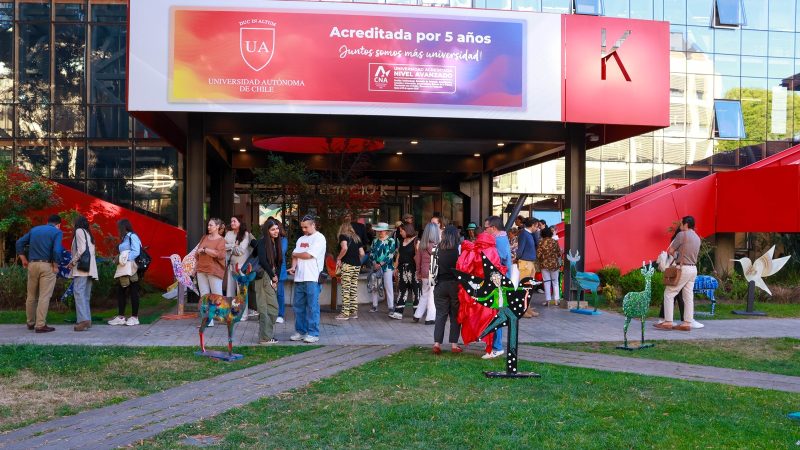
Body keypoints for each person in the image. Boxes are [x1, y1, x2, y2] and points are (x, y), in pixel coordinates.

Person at [16, 214, 64, 333]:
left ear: (47, 221)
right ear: (58, 224)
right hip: (47, 266)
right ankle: (40, 325)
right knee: (44, 296)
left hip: (32, 265)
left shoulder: (34, 230)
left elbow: (19, 243)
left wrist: (23, 259)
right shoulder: (57, 232)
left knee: (31, 296)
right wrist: (56, 265)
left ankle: (30, 322)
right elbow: (57, 250)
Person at [655, 216, 701, 332]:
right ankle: (687, 323)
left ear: (686, 224)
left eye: (681, 223)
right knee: (688, 297)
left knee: (669, 293)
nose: (680, 225)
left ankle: (668, 322)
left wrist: (676, 257)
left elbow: (670, 251)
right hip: (693, 269)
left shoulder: (682, 235)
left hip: (682, 268)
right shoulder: (697, 237)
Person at [288, 215, 326, 343]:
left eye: (306, 227)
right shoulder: (300, 239)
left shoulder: (319, 238)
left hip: (313, 278)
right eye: (302, 227)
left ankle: (313, 333)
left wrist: (295, 254)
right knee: (298, 307)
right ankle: (301, 331)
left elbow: (308, 255)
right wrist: (293, 267)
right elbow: (296, 256)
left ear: (313, 225)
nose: (304, 229)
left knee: (312, 307)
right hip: (299, 278)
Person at [432, 225, 462, 355]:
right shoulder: (459, 249)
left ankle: (437, 343)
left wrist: (434, 284)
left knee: (440, 315)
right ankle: (454, 345)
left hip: (440, 284)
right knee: (455, 316)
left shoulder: (436, 249)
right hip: (455, 285)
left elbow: (432, 270)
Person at [482, 216, 510, 358]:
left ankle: (497, 347)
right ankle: (495, 346)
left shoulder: (499, 241)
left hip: (500, 285)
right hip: (499, 283)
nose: (485, 230)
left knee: (496, 315)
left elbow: (501, 258)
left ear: (493, 228)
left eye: (486, 227)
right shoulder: (501, 239)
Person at [108, 219, 143, 326]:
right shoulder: (125, 238)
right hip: (124, 268)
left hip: (131, 268)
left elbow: (136, 251)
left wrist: (125, 259)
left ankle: (134, 317)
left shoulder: (132, 236)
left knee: (133, 291)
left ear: (123, 227)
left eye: (119, 227)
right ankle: (121, 316)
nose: (118, 230)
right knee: (121, 291)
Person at [68, 215, 98, 331]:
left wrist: (72, 262)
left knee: (79, 293)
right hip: (90, 268)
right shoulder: (88, 233)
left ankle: (82, 320)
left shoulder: (79, 231)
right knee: (85, 295)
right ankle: (87, 320)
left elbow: (81, 250)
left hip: (82, 269)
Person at [255, 219, 282, 344]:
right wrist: (273, 276)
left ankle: (266, 336)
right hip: (263, 277)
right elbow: (263, 261)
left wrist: (276, 278)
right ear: (267, 231)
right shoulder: (262, 242)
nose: (276, 231)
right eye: (272, 229)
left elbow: (279, 262)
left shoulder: (277, 242)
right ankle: (265, 338)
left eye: (277, 228)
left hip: (271, 277)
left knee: (273, 307)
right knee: (265, 308)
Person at [224, 215, 254, 319]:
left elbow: (241, 251)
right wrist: (233, 245)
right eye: (231, 221)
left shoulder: (245, 234)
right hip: (231, 265)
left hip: (241, 267)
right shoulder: (228, 234)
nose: (232, 223)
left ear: (240, 223)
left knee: (241, 291)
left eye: (234, 221)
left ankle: (243, 314)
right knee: (230, 290)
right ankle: (232, 312)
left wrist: (230, 247)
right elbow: (222, 246)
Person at [335, 222, 364, 320]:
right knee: (353, 288)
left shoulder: (343, 236)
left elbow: (344, 248)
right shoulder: (357, 238)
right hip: (357, 265)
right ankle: (353, 312)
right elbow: (362, 253)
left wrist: (339, 258)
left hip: (347, 265)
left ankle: (345, 314)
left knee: (346, 289)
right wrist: (356, 259)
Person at [414, 223, 440, 325]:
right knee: (432, 296)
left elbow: (417, 260)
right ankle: (430, 318)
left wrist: (418, 272)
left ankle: (417, 315)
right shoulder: (438, 246)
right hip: (434, 272)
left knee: (424, 294)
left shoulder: (422, 245)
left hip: (424, 272)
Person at [368, 222, 397, 314]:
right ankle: (374, 305)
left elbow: (391, 255)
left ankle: (391, 306)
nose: (380, 233)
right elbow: (371, 253)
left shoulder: (391, 241)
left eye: (382, 231)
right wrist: (374, 263)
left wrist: (380, 264)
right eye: (379, 231)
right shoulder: (375, 241)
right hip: (376, 266)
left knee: (388, 286)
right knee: (375, 285)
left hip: (387, 267)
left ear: (387, 231)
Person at [393, 223, 418, 320]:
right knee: (402, 290)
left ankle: (417, 313)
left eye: (401, 230)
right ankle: (398, 312)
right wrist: (395, 267)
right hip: (402, 269)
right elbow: (399, 255)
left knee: (416, 291)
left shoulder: (416, 241)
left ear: (407, 230)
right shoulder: (402, 240)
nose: (400, 232)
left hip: (413, 269)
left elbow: (418, 255)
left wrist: (419, 270)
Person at [537, 227, 561, 306]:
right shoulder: (554, 242)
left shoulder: (541, 242)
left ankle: (548, 301)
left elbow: (538, 255)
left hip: (544, 265)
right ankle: (556, 300)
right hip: (554, 265)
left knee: (547, 282)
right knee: (555, 282)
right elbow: (559, 254)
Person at [275, 219, 289, 324]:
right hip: (268, 269)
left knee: (279, 293)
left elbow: (281, 252)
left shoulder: (283, 239)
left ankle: (280, 314)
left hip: (280, 269)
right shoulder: (265, 239)